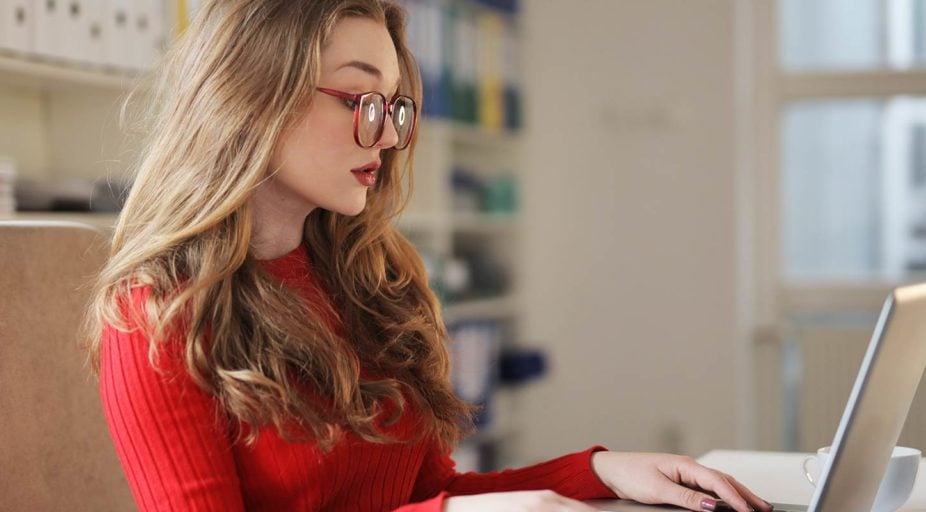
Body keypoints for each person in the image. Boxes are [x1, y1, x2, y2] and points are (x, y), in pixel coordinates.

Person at [87, 1, 773, 511]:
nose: (386, 135)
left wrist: (600, 473)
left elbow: (430, 494)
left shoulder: (370, 280)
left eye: (394, 106)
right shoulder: (156, 315)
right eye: (361, 100)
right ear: (254, 98)